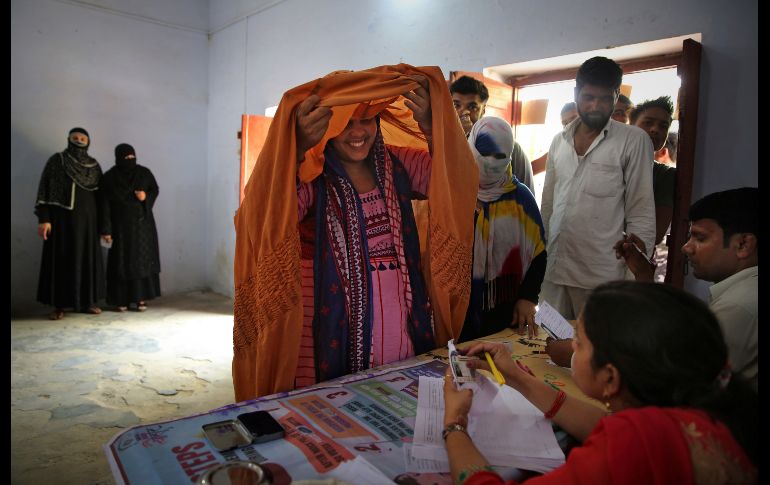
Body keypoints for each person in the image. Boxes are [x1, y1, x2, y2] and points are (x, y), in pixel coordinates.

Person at [232, 65, 478, 401]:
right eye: (345, 122)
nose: (357, 132)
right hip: (330, 321)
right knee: (336, 407)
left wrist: (433, 128)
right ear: (328, 127)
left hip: (400, 316)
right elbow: (261, 219)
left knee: (397, 398)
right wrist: (297, 146)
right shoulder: (312, 178)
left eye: (366, 120)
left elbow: (458, 182)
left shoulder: (399, 163)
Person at [442, 281, 757, 484]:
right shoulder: (708, 405)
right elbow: (605, 423)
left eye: (578, 342)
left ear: (610, 378)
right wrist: (515, 377)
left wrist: (454, 423)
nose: (571, 348)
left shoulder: (637, 440)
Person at [539, 56, 655, 320]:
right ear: (576, 93)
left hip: (601, 278)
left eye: (605, 99)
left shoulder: (633, 141)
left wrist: (635, 277)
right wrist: (538, 261)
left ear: (617, 96)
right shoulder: (559, 141)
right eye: (589, 96)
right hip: (553, 271)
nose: (595, 106)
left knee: (594, 354)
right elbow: (549, 205)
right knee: (543, 349)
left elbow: (642, 210)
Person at [616, 188, 758, 391]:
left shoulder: (738, 307)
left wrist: (585, 358)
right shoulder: (743, 291)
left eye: (700, 238)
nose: (686, 248)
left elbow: (672, 379)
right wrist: (644, 275)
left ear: (743, 244)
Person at [459, 117, 546, 342]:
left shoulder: (521, 199)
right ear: (470, 147)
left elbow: (538, 252)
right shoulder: (454, 190)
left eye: (499, 156)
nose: (490, 162)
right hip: (457, 306)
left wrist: (528, 297)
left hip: (505, 308)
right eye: (484, 153)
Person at [35, 127, 104, 320]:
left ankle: (86, 302)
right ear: (68, 139)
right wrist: (44, 219)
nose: (80, 140)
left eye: (83, 138)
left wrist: (104, 225)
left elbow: (101, 196)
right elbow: (45, 190)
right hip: (62, 222)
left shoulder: (94, 165)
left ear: (88, 141)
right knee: (62, 261)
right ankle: (59, 306)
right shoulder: (57, 161)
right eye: (76, 137)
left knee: (86, 260)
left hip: (88, 223)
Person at [99, 143, 161, 312]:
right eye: (125, 158)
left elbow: (154, 189)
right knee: (121, 262)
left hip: (143, 228)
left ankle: (140, 298)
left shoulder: (144, 173)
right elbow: (104, 205)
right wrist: (106, 230)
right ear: (118, 158)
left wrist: (145, 197)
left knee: (141, 261)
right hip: (120, 228)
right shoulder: (109, 178)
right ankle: (121, 300)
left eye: (132, 157)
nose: (129, 160)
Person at [450, 75, 535, 193]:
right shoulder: (440, 144)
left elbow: (526, 195)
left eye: (472, 107)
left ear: (483, 110)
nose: (463, 112)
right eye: (456, 105)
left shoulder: (510, 149)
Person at [629, 96, 676, 245]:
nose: (655, 129)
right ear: (631, 126)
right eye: (648, 123)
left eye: (663, 126)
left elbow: (653, 235)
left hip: (634, 261)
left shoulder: (667, 176)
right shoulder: (609, 166)